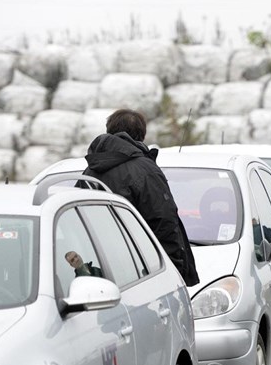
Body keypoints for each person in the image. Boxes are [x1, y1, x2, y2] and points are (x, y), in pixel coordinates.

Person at [82, 108, 199, 286]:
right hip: (140, 271)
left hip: (97, 268)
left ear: (109, 131)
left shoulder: (90, 170)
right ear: (141, 135)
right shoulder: (145, 170)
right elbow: (164, 221)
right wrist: (175, 268)